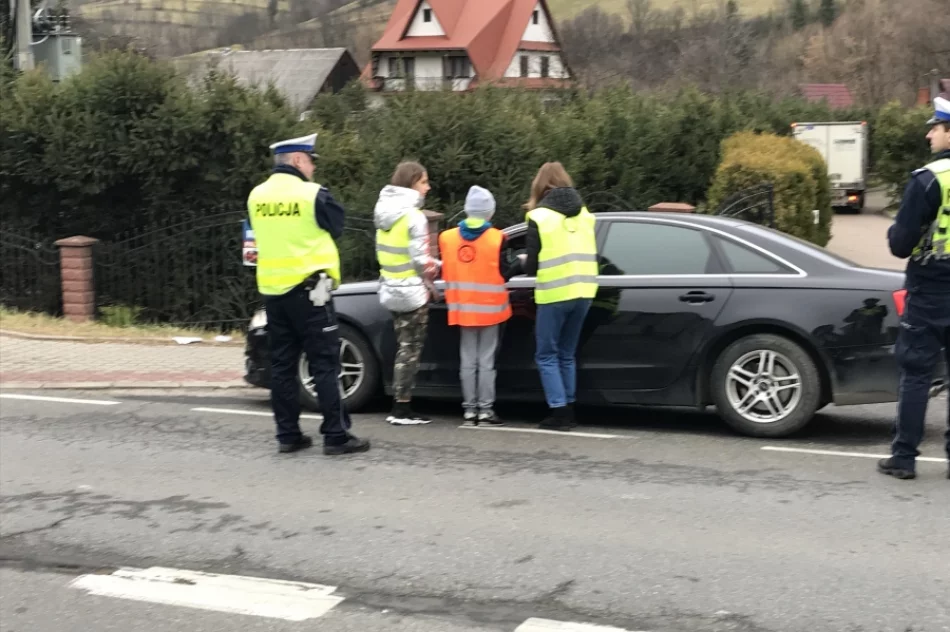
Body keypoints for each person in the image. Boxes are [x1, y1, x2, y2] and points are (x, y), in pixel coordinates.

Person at [247, 133, 370, 455]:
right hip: (310, 292)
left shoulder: (256, 196)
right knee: (324, 363)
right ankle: (336, 436)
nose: (313, 167)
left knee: (283, 365)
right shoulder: (312, 194)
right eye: (311, 161)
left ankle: (287, 435)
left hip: (273, 291)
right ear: (298, 160)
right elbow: (337, 225)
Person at [877, 96, 950, 481]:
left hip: (931, 290)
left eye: (935, 128)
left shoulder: (927, 180)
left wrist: (898, 229)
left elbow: (900, 245)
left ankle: (904, 458)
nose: (929, 134)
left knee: (917, 373)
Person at [520, 162, 599, 432]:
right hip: (585, 291)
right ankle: (570, 408)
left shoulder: (540, 217)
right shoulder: (585, 214)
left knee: (546, 355)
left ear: (540, 185)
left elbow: (531, 267)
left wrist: (519, 262)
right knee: (567, 354)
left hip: (554, 293)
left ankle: (559, 412)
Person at [438, 185, 515, 426]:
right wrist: (521, 263)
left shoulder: (447, 238)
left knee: (467, 360)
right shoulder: (497, 238)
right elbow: (506, 272)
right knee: (486, 361)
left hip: (462, 309)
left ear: (466, 210)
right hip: (491, 310)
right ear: (490, 212)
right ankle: (485, 409)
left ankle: (469, 409)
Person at [374, 161, 442, 425]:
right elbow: (420, 260)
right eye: (424, 181)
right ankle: (402, 408)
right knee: (410, 350)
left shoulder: (383, 214)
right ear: (412, 183)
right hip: (412, 291)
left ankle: (399, 403)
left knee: (403, 347)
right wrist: (439, 267)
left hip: (391, 287)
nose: (428, 186)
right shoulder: (414, 217)